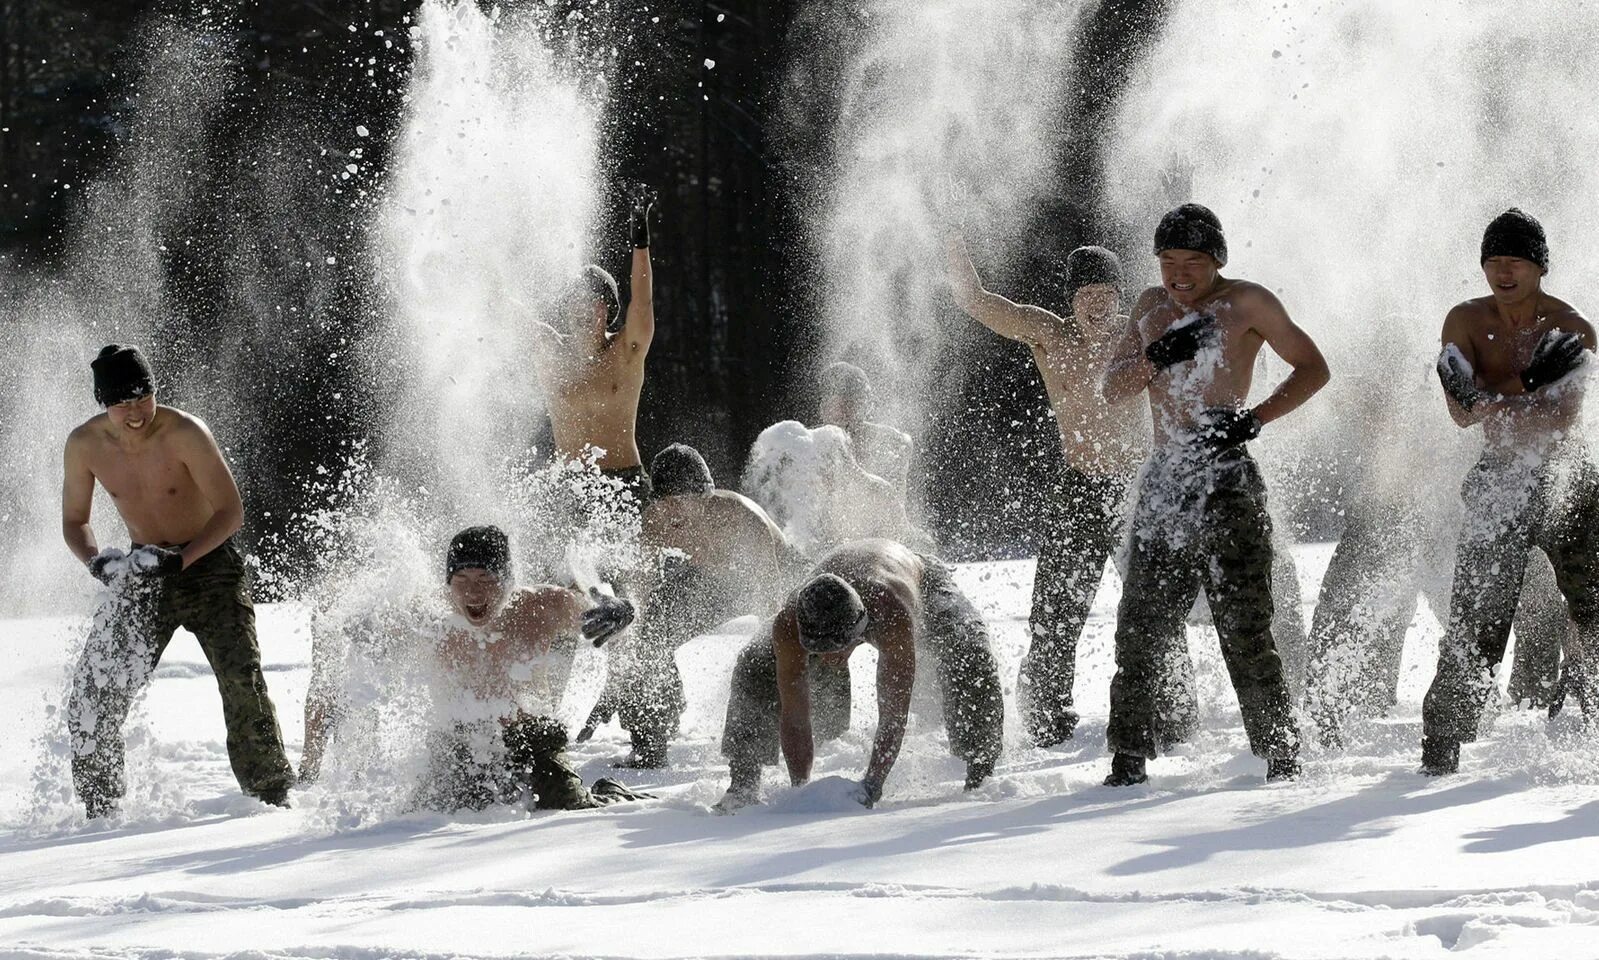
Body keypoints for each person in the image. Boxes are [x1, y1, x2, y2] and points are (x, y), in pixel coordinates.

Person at [1099, 203, 1330, 786]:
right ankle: (1127, 757)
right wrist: (1156, 356)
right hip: (1164, 479)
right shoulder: (1150, 308)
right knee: (1140, 626)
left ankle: (1281, 754)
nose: (1178, 275)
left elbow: (1313, 368)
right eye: (1167, 262)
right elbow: (1110, 390)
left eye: (1193, 264)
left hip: (1225, 477)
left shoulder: (1247, 303)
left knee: (1244, 623)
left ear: (1217, 262)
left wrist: (1255, 420)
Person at [62, 345, 294, 817]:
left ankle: (271, 793)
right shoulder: (85, 444)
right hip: (143, 570)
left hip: (208, 564)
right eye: (122, 403)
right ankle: (99, 806)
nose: (135, 413)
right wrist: (96, 562)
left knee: (240, 679)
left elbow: (231, 513)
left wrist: (184, 559)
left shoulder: (185, 431)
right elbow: (74, 520)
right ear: (102, 403)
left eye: (143, 397)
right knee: (94, 688)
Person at [946, 236, 1147, 746]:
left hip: (1134, 491)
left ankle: (1168, 712)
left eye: (1107, 294)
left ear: (1120, 296)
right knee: (1055, 613)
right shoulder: (1048, 334)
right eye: (1088, 295)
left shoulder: (1137, 336)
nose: (1098, 305)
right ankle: (1046, 720)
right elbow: (976, 301)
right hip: (1076, 488)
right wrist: (953, 241)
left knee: (1151, 608)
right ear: (1071, 299)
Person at [1421, 208, 1598, 775]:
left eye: (1514, 262)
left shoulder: (1573, 328)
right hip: (1500, 475)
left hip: (1569, 475)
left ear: (1538, 267)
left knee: (1594, 609)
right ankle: (1441, 748)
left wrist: (1494, 395)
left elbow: (1564, 415)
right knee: (1476, 613)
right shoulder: (1466, 321)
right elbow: (1461, 415)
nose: (1502, 271)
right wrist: (1520, 388)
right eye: (1493, 261)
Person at [714, 539, 1004, 813]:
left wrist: (872, 786)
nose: (828, 660)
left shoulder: (892, 613)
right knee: (755, 660)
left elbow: (893, 715)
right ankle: (743, 782)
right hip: (842, 584)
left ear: (861, 628)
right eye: (819, 651)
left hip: (920, 576)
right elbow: (794, 716)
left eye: (836, 650)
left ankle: (981, 772)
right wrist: (801, 792)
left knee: (970, 651)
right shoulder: (789, 624)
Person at [602, 444, 809, 767]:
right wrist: (621, 668)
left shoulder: (741, 520)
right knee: (647, 632)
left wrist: (770, 669)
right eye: (665, 501)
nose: (673, 512)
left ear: (705, 497)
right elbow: (638, 591)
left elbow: (772, 600)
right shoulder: (655, 522)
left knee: (780, 645)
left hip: (780, 576)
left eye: (682, 502)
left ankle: (810, 728)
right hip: (713, 581)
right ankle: (651, 737)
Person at [816, 361, 915, 496]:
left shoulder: (889, 441)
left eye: (850, 404)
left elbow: (892, 499)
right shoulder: (811, 444)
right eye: (837, 404)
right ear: (823, 407)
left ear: (865, 405)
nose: (842, 412)